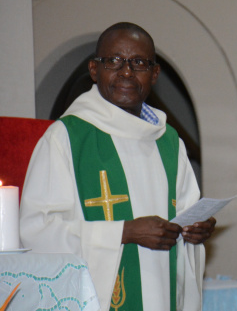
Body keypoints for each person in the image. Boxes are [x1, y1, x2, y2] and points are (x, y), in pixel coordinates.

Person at [20, 22, 215, 311]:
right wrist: (124, 232)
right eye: (113, 61)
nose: (126, 72)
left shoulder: (169, 141)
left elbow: (185, 213)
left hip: (162, 295)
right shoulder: (66, 137)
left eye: (138, 62)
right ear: (94, 69)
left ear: (155, 74)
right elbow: (37, 231)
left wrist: (194, 231)